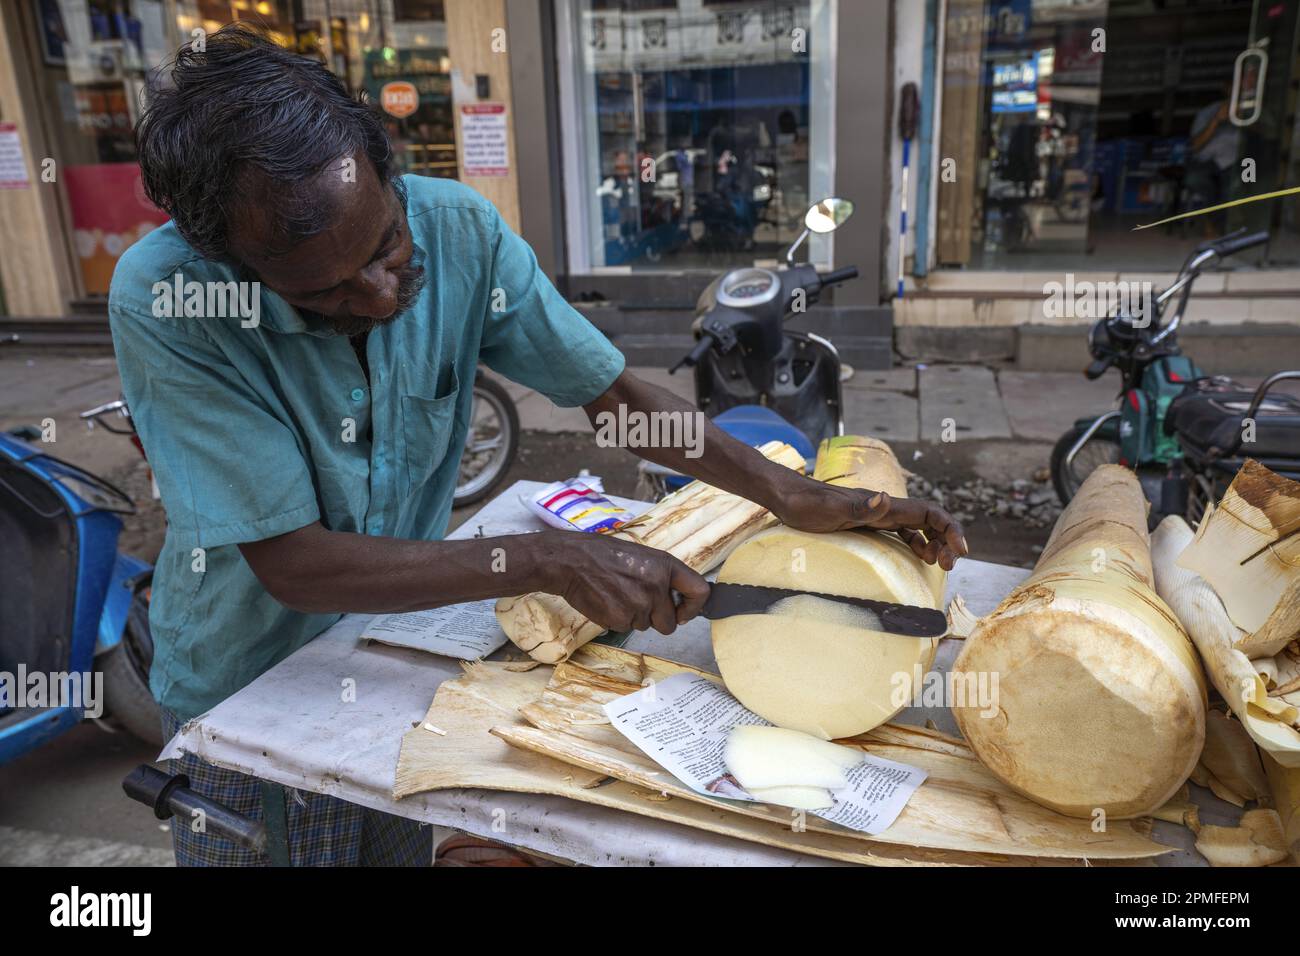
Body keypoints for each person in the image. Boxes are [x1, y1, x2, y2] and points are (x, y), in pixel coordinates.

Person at [110, 24, 966, 866]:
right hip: (247, 687)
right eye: (322, 293)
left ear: (388, 170)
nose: (375, 294)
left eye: (384, 249)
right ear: (228, 263)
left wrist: (786, 493)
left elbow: (617, 402)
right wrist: (543, 560)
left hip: (387, 651)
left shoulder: (460, 234)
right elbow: (295, 564)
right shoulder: (167, 300)